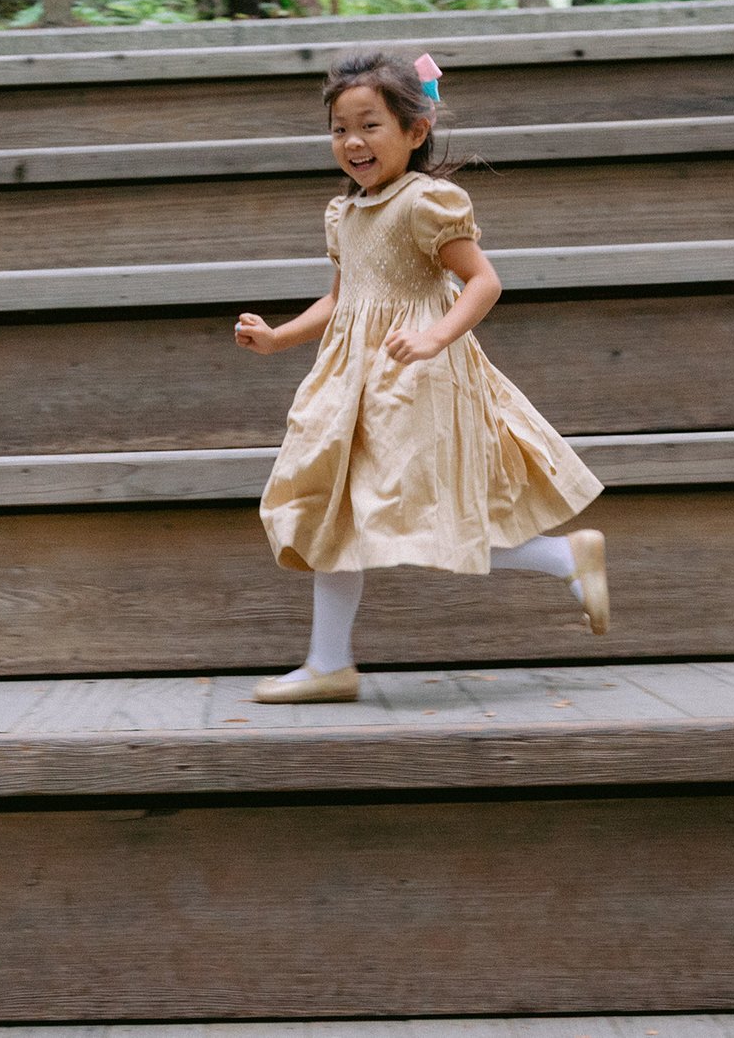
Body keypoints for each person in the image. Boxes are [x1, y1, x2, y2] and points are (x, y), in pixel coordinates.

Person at [232, 48, 609, 704]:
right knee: (335, 509)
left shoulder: (426, 203)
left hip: (418, 383)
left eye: (370, 124)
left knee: (433, 512)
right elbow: (342, 299)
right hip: (351, 384)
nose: (353, 140)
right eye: (340, 128)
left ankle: (563, 556)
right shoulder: (344, 214)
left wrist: (434, 335)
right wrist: (279, 337)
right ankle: (328, 662)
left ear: (415, 129)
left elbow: (483, 281)